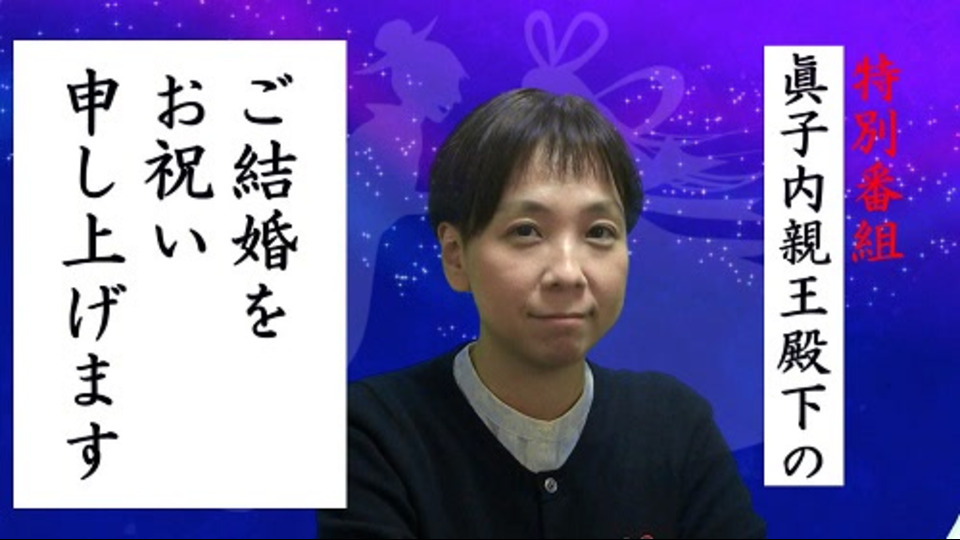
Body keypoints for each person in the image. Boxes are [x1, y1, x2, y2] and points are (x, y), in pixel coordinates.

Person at [319, 88, 765, 538]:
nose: (568, 273)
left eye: (599, 232)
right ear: (455, 256)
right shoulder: (375, 432)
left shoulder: (675, 427)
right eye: (527, 231)